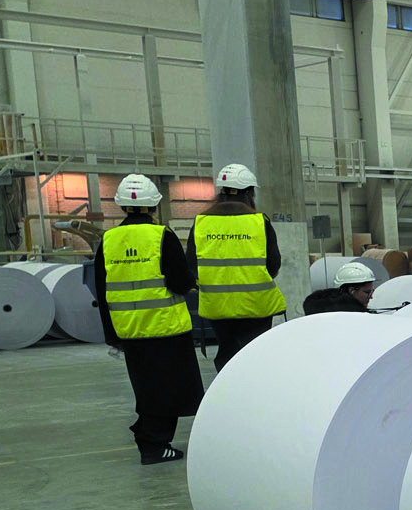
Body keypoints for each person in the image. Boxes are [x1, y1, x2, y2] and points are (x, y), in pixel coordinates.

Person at [94, 173, 203, 465]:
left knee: (147, 388)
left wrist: (112, 335)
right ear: (154, 204)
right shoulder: (161, 236)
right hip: (166, 328)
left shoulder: (108, 240)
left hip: (130, 331)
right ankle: (153, 444)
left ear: (121, 206)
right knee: (170, 390)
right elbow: (180, 282)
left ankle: (151, 439)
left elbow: (102, 291)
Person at [189, 163, 284, 370]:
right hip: (256, 305)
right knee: (256, 356)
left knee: (227, 355)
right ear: (249, 192)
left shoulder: (201, 222)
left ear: (221, 192)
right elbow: (274, 264)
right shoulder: (259, 221)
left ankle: (228, 387)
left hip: (218, 306)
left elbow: (191, 265)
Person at [303, 261, 375, 314]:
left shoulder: (316, 310)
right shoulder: (351, 318)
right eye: (367, 292)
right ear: (352, 290)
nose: (371, 297)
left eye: (372, 291)